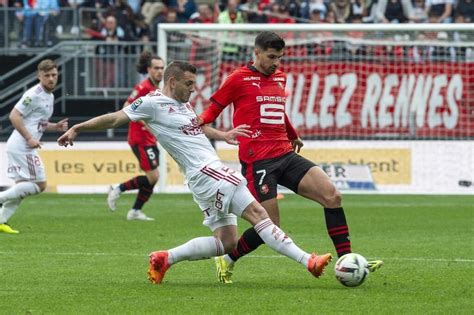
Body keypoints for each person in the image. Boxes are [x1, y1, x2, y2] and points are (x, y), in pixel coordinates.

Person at [57, 61, 333, 284]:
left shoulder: (184, 104)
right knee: (260, 215)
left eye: (194, 84)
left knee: (226, 242)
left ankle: (165, 258)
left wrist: (222, 134)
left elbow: (197, 127)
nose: (192, 89)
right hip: (208, 171)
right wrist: (79, 128)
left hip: (202, 178)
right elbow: (116, 117)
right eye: (188, 84)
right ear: (172, 81)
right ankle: (308, 261)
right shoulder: (151, 103)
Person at [199, 31, 384, 283]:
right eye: (271, 57)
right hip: (258, 161)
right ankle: (228, 259)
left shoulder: (280, 77)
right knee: (270, 224)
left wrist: (292, 134)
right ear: (257, 52)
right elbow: (205, 118)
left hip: (285, 152)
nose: (276, 63)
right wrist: (223, 134)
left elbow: (278, 111)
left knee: (332, 196)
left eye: (280, 58)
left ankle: (347, 261)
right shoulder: (237, 79)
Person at [0, 59, 68, 234]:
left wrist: (56, 127)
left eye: (54, 75)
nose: (51, 79)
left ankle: (1, 221)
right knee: (40, 185)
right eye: (47, 76)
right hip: (23, 146)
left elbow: (39, 122)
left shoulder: (49, 96)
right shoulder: (34, 94)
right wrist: (30, 138)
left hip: (21, 145)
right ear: (39, 76)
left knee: (21, 188)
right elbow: (14, 116)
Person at [107, 52, 164, 221]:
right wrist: (146, 125)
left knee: (153, 178)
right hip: (139, 138)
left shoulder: (157, 89)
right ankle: (118, 188)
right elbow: (127, 106)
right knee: (153, 177)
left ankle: (135, 211)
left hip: (150, 139)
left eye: (162, 68)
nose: (160, 71)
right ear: (148, 70)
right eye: (156, 68)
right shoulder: (143, 88)